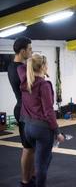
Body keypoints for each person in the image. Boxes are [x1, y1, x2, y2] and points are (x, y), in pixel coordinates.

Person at [18, 54, 65, 187]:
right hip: (41, 130)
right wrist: (58, 132)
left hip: (27, 128)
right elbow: (49, 111)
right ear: (43, 66)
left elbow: (20, 67)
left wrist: (31, 62)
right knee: (42, 165)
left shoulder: (25, 81)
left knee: (44, 158)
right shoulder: (44, 85)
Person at [7, 37, 35, 186]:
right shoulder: (20, 68)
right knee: (28, 148)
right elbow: (30, 87)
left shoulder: (13, 66)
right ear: (23, 51)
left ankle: (32, 176)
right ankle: (25, 180)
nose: (31, 52)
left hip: (25, 109)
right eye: (30, 49)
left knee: (32, 147)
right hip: (24, 110)